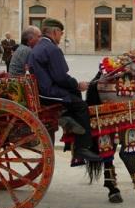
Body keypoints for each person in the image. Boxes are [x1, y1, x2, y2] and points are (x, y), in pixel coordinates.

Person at [28, 18, 100, 162]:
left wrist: (74, 87)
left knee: (75, 96)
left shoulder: (39, 47)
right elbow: (60, 77)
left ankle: (69, 125)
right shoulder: (52, 49)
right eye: (61, 33)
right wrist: (77, 84)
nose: (61, 37)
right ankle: (82, 147)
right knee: (81, 106)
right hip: (48, 92)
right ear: (54, 32)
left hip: (43, 89)